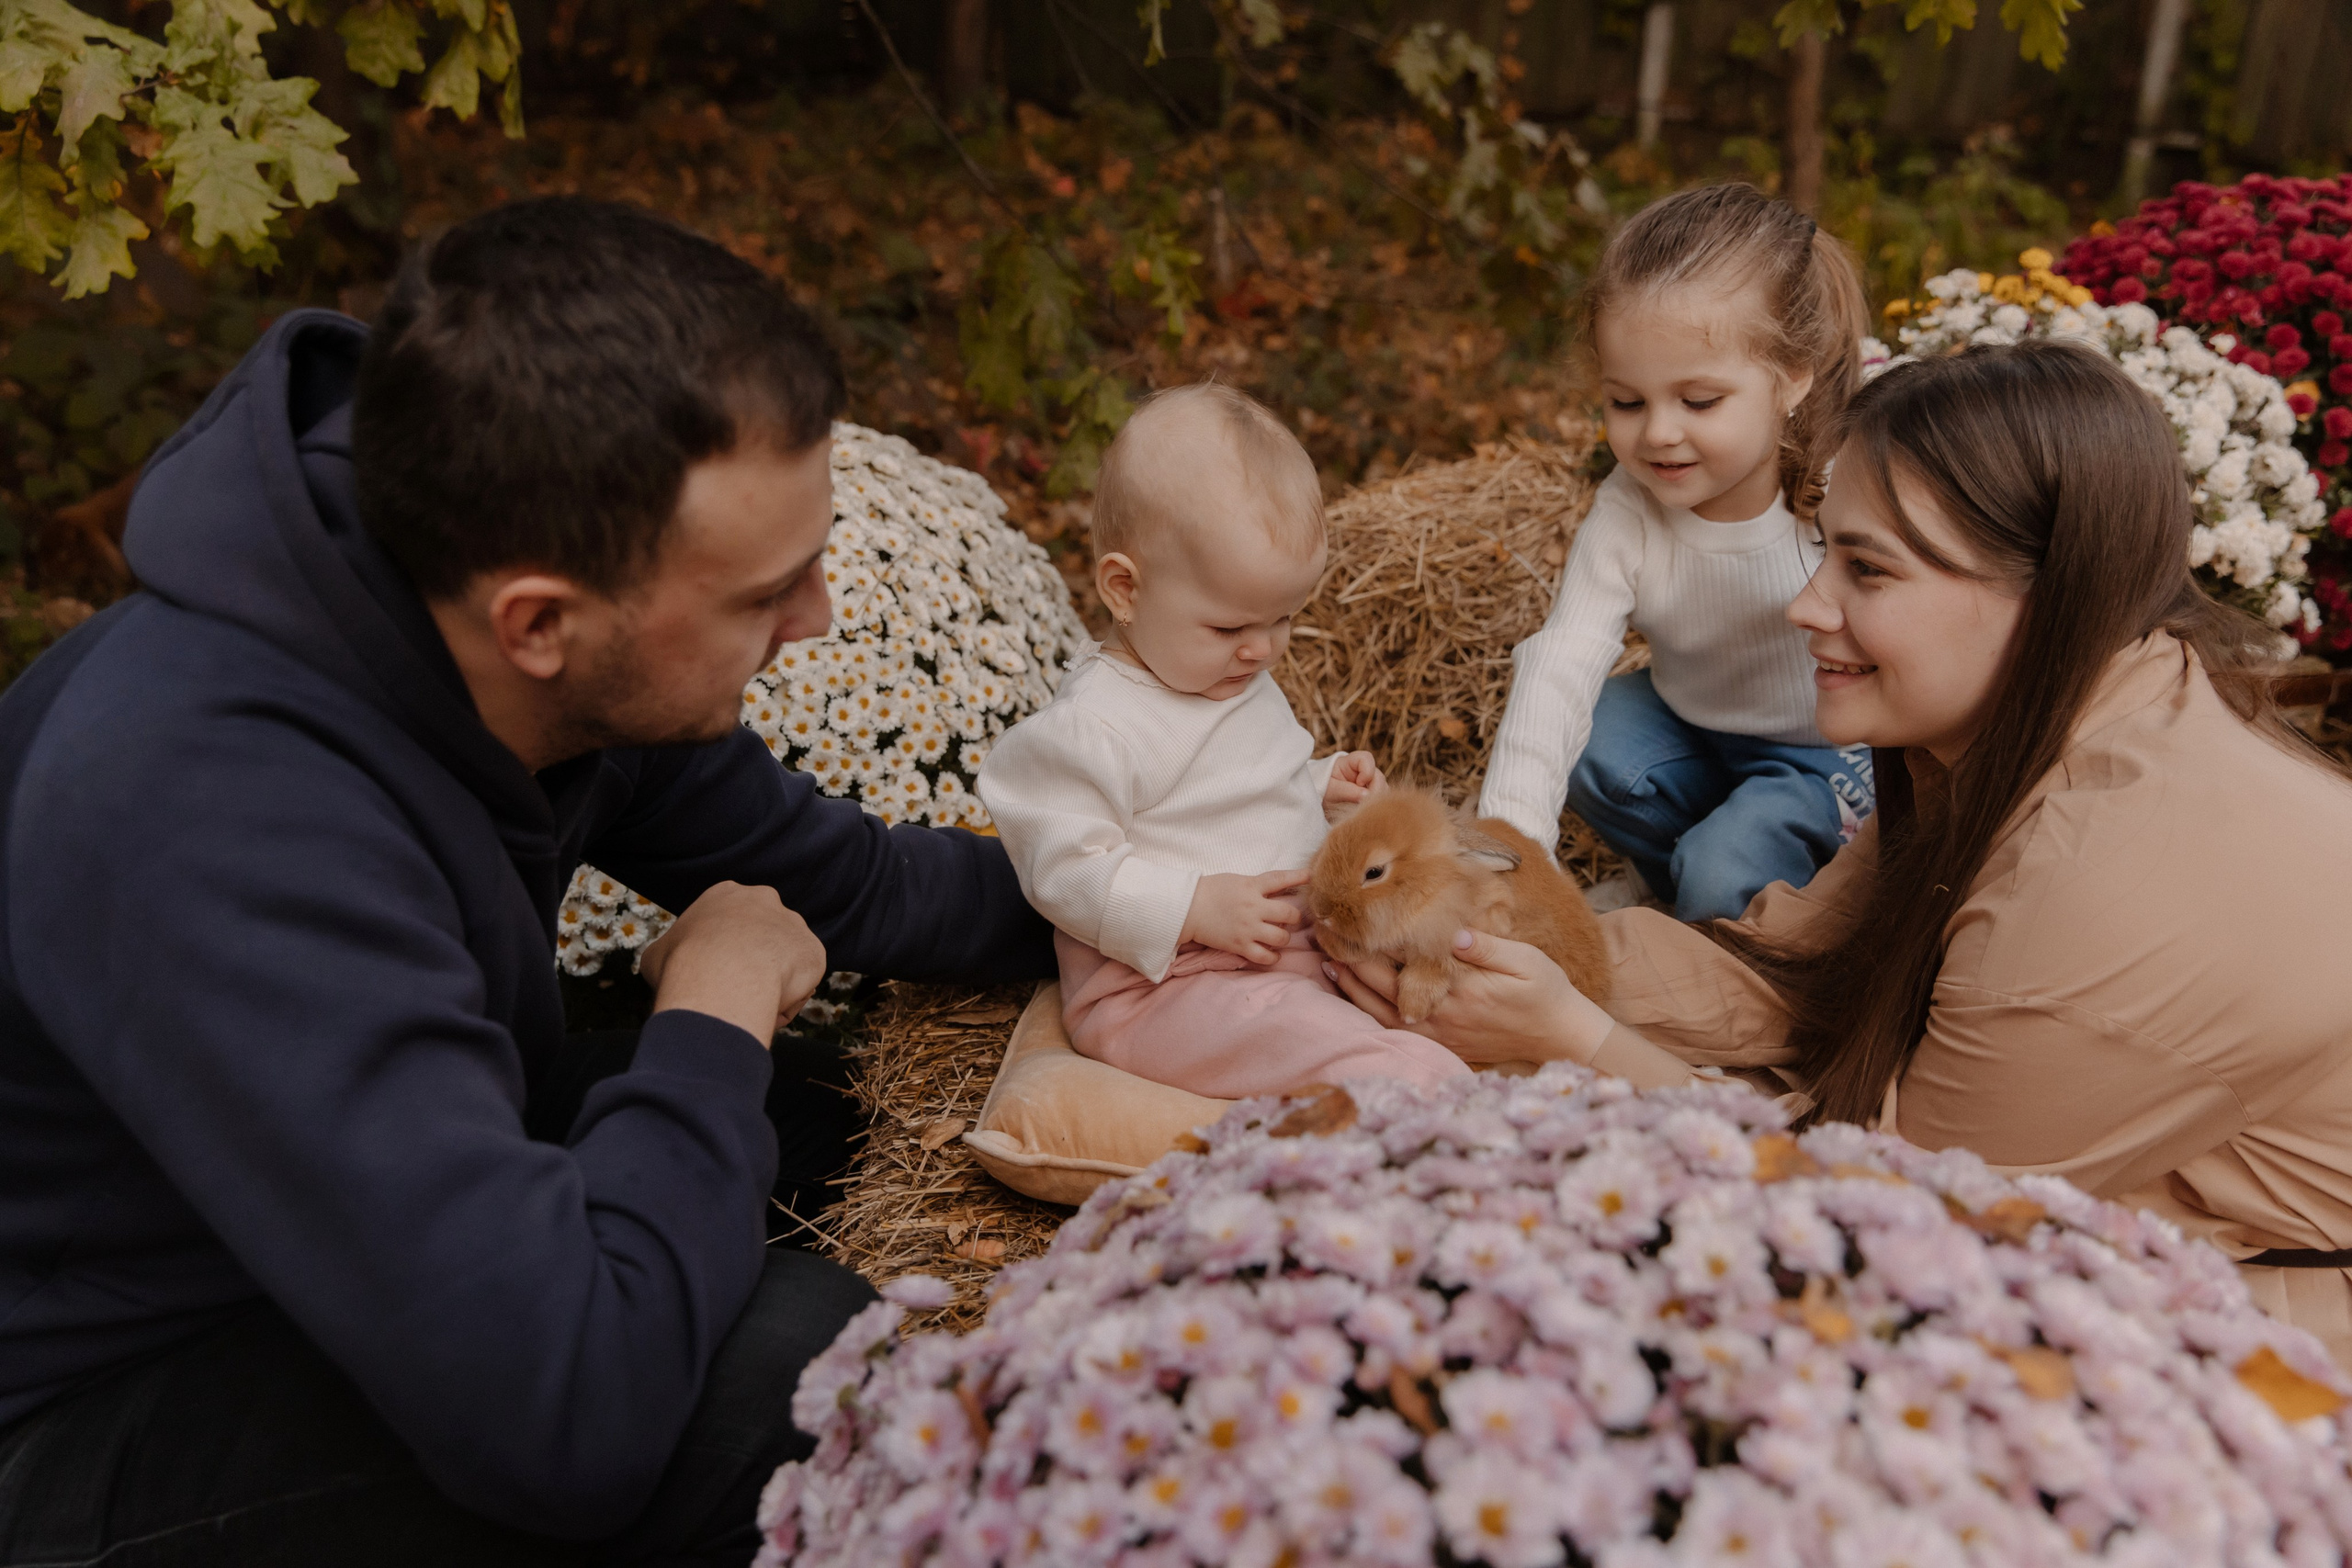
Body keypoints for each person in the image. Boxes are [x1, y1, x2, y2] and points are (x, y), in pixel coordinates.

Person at [0, 198, 1055, 1566]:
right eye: (761, 595)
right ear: (541, 621)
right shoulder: (202, 807)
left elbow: (841, 877)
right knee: (788, 1381)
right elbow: (563, 1421)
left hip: (273, 1205)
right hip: (80, 1391)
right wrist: (713, 1012)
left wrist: (1175, 914)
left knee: (828, 1112)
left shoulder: (495, 622)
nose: (818, 622)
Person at [1332, 341, 2352, 1369]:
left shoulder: (2108, 880)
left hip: (2251, 1352)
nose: (1805, 605)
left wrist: (1575, 1042)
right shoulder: (2043, 721)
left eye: (1866, 569)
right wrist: (1493, 932)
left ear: (2045, 595)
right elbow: (1793, 969)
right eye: (1823, 551)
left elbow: (1897, 1231)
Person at [976, 383, 1466, 1098]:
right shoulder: (1091, 728)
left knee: (1430, 975)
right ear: (1125, 589)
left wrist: (1318, 782)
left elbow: (1234, 786)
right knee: (1298, 1033)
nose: (1262, 649)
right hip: (1167, 987)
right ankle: (1412, 1093)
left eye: (1283, 619)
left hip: (1292, 946)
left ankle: (1445, 1064)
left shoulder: (1220, 671)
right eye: (1231, 627)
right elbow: (1063, 866)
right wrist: (1190, 908)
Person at [1478, 183, 1877, 922]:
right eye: (1626, 402)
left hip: (1827, 753)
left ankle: (1728, 903)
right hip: (1696, 729)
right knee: (1592, 735)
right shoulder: (1630, 508)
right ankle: (1676, 881)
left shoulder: (1845, 480)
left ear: (1791, 379)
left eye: (1698, 402)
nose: (1657, 433)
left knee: (1728, 865)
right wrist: (1510, 853)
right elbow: (1561, 661)